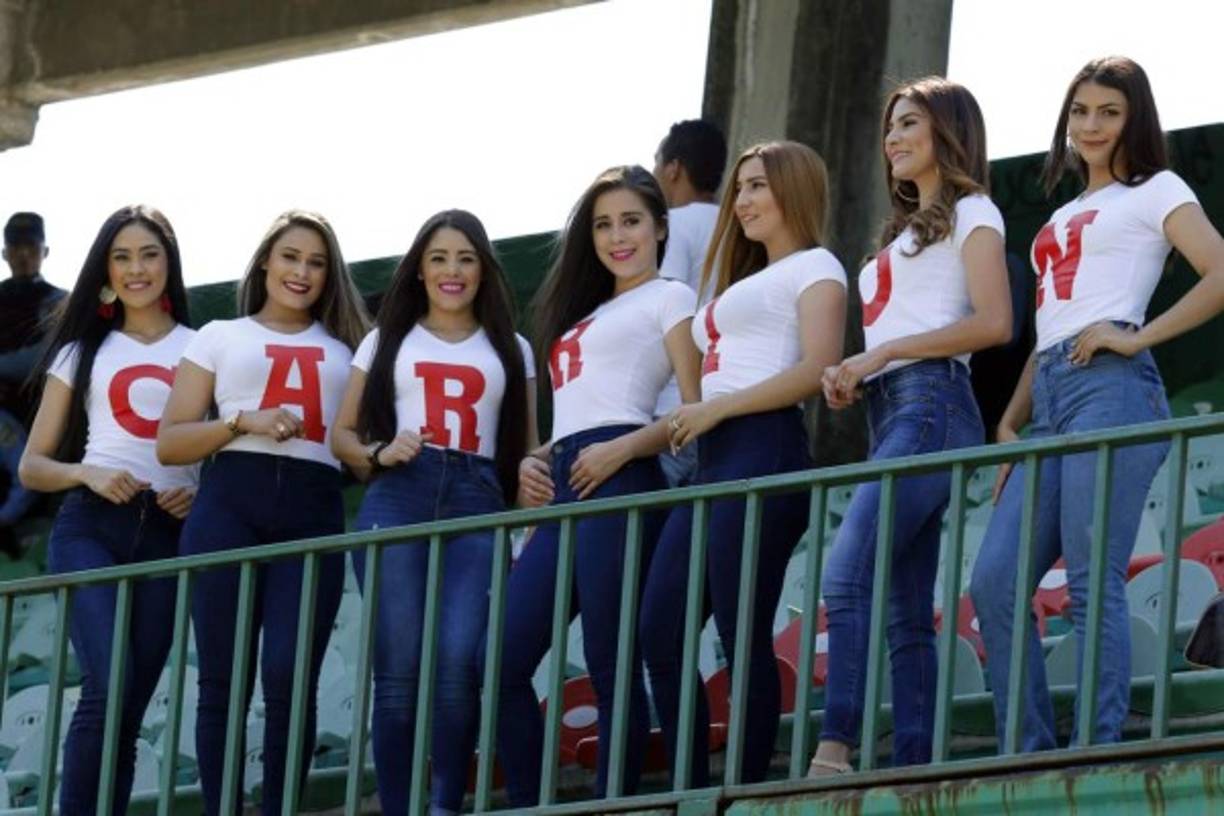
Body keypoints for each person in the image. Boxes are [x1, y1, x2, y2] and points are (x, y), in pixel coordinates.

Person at [971, 55, 1224, 752]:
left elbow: (1220, 272)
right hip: (1049, 396)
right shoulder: (1063, 212)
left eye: (1108, 112)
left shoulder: (1158, 189)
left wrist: (1133, 335)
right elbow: (1051, 328)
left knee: (1090, 578)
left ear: (1134, 119)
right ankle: (1026, 753)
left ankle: (1094, 745)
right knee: (993, 582)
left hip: (1113, 389)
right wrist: (1009, 418)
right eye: (1080, 111)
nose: (1091, 125)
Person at [809, 78, 1012, 774]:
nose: (892, 139)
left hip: (933, 403)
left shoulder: (975, 212)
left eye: (909, 124)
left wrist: (886, 352)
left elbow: (994, 322)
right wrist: (856, 373)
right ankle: (918, 765)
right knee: (902, 607)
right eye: (890, 127)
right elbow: (900, 330)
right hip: (890, 408)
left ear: (948, 131)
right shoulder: (899, 234)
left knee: (845, 573)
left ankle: (834, 748)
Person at [640, 140, 847, 787]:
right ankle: (692, 790)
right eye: (740, 188)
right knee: (660, 626)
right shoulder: (740, 278)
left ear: (792, 189)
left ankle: (747, 790)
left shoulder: (817, 266)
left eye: (758, 185)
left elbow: (816, 368)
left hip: (765, 448)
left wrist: (715, 411)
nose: (744, 200)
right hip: (716, 457)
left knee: (739, 629)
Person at [493, 165, 701, 805]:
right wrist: (540, 457)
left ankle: (618, 800)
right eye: (604, 224)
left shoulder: (672, 296)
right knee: (500, 661)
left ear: (661, 227)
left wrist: (625, 449)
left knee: (613, 664)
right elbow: (583, 408)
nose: (618, 236)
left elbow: (694, 409)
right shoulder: (582, 314)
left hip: (623, 480)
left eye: (632, 221)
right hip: (568, 485)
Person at [156, 210, 370, 815]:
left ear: (329, 276)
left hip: (313, 509)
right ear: (264, 263)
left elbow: (362, 447)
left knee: (288, 677)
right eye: (290, 257)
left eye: (316, 262)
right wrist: (240, 420)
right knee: (222, 680)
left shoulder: (349, 347)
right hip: (228, 505)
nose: (301, 272)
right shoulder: (220, 334)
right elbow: (170, 442)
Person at [330, 210, 535, 816]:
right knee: (397, 674)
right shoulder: (385, 340)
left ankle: (446, 804)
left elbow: (524, 448)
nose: (452, 271)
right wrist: (379, 451)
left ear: (483, 271)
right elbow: (341, 436)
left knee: (456, 666)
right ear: (419, 269)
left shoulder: (511, 346)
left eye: (466, 259)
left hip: (478, 497)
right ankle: (400, 806)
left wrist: (525, 517)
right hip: (399, 493)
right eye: (440, 258)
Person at [18, 205, 196, 815]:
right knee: (109, 685)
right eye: (121, 257)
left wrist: (198, 489)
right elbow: (33, 465)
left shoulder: (205, 349)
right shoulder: (80, 351)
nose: (135, 269)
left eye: (148, 254)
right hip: (92, 525)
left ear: (168, 263)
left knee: (130, 703)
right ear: (105, 270)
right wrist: (87, 472)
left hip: (171, 532)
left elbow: (219, 446)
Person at [652, 119, 728, 488]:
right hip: (724, 401)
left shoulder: (674, 224)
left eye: (656, 163)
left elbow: (665, 305)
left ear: (674, 168)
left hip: (673, 407)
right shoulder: (740, 225)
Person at [0, 212, 65, 555]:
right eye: (16, 247)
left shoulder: (58, 302)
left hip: (41, 417)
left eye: (31, 246)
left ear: (45, 251)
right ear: (5, 253)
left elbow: (45, 358)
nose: (24, 254)